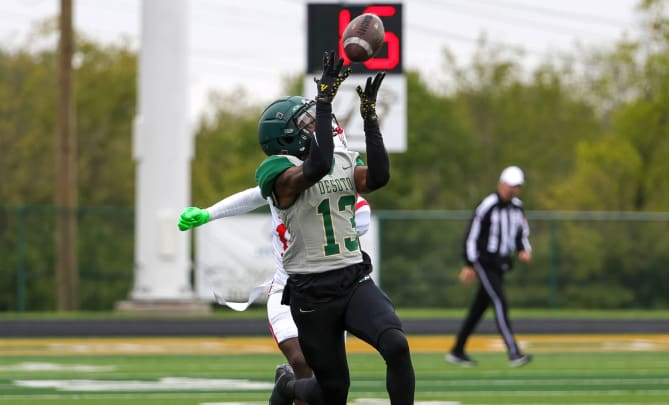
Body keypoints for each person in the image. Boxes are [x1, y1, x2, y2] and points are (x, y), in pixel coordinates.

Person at [256, 50, 414, 405]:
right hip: (311, 291)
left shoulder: (342, 156)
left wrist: (370, 120)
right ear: (285, 137)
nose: (315, 122)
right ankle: (288, 386)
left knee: (397, 345)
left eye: (314, 115)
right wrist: (326, 101)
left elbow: (379, 176)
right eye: (306, 122)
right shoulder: (277, 172)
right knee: (332, 392)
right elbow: (317, 166)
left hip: (353, 277)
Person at [177, 128, 372, 405]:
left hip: (330, 290)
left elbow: (359, 216)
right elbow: (255, 195)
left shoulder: (349, 200)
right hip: (289, 287)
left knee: (328, 385)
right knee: (301, 362)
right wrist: (209, 213)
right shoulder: (287, 184)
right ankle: (287, 384)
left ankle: (285, 388)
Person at [446, 165, 533, 368]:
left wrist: (523, 248)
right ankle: (514, 352)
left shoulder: (517, 207)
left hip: (501, 263)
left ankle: (457, 350)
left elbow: (522, 231)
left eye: (517, 186)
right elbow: (472, 234)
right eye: (510, 185)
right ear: (501, 184)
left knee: (478, 308)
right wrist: (469, 262)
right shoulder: (488, 205)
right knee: (499, 302)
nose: (513, 190)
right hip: (484, 262)